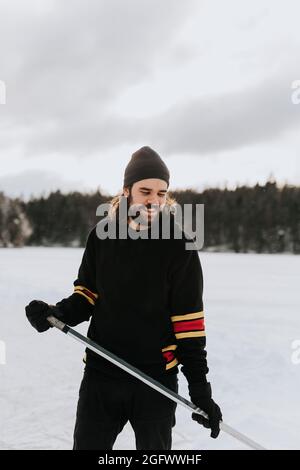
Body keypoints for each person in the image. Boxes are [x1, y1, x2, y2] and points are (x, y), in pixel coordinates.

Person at [25, 146, 222, 450]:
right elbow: (86, 296)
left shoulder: (180, 246)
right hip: (101, 374)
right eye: (146, 191)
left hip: (155, 381)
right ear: (127, 190)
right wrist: (55, 313)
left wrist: (200, 390)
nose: (154, 200)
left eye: (162, 193)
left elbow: (189, 325)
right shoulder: (102, 237)